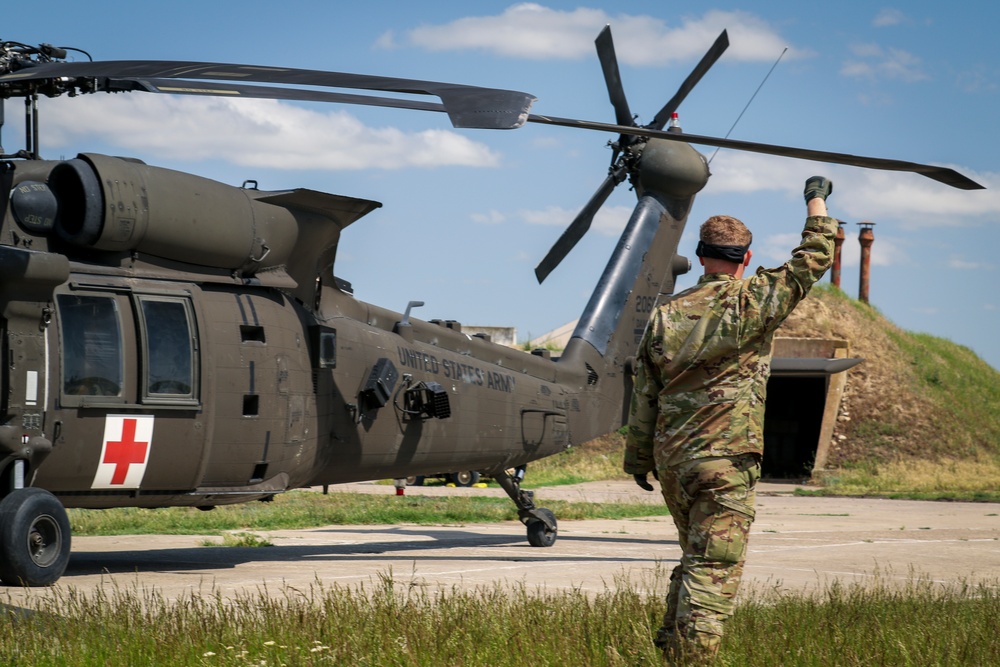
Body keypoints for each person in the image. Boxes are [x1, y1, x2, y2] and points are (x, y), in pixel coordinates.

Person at [624, 176, 837, 663]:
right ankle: (693, 659)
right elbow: (816, 255)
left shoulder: (665, 315)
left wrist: (639, 459)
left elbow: (645, 394)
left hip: (675, 462)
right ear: (745, 257)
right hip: (724, 463)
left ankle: (672, 651)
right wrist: (815, 198)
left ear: (700, 256)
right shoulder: (752, 301)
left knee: (697, 559)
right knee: (713, 568)